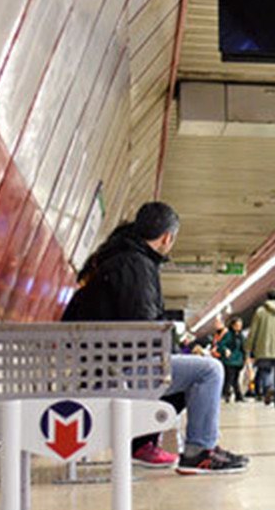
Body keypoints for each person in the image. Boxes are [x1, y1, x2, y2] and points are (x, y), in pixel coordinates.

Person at [61, 201, 247, 474]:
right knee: (209, 370)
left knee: (184, 373)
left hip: (94, 369)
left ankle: (141, 444)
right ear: (167, 237)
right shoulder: (136, 265)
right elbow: (144, 328)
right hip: (112, 374)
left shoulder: (113, 259)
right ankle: (199, 451)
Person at [217, 316, 246, 402]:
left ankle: (234, 395)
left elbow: (243, 347)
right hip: (229, 361)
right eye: (237, 325)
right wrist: (225, 350)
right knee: (230, 378)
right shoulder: (228, 335)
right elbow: (221, 345)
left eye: (240, 325)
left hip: (238, 361)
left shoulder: (241, 336)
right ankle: (231, 394)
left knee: (235, 378)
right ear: (232, 325)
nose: (239, 327)